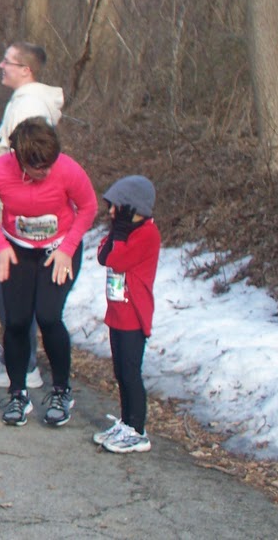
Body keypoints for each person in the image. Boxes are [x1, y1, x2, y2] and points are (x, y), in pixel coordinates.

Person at [0, 118, 96, 426]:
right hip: (18, 249)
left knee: (48, 316)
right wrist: (0, 245)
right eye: (38, 167)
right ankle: (18, 394)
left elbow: (88, 208)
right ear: (18, 156)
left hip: (59, 249)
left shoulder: (68, 170)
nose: (45, 172)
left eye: (49, 164)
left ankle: (60, 390)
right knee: (16, 320)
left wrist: (67, 248)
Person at [95, 175, 161, 453]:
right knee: (120, 371)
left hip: (134, 315)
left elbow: (117, 260)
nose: (111, 212)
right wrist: (117, 234)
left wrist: (119, 237)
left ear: (133, 209)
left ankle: (138, 429)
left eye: (117, 207)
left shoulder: (147, 234)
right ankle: (126, 421)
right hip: (117, 314)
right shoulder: (122, 231)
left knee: (131, 372)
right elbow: (102, 255)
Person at [0, 42, 63, 161]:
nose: (0, 65)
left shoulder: (29, 106)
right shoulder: (21, 102)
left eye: (6, 62)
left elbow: (26, 160)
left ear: (25, 70)